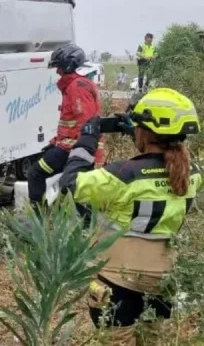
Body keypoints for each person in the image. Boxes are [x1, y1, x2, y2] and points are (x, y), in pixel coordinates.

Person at [58, 88, 201, 344]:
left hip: (117, 280)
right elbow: (163, 160)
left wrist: (86, 142)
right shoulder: (193, 174)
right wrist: (138, 134)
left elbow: (69, 184)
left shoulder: (123, 174)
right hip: (163, 282)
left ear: (145, 131)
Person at [26, 44, 102, 209]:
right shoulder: (76, 85)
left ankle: (37, 219)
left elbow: (86, 124)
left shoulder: (77, 88)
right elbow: (70, 124)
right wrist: (54, 142)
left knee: (35, 174)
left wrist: (65, 146)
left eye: (58, 67)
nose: (57, 71)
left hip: (75, 149)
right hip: (72, 147)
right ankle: (52, 214)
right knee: (71, 186)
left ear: (68, 65)